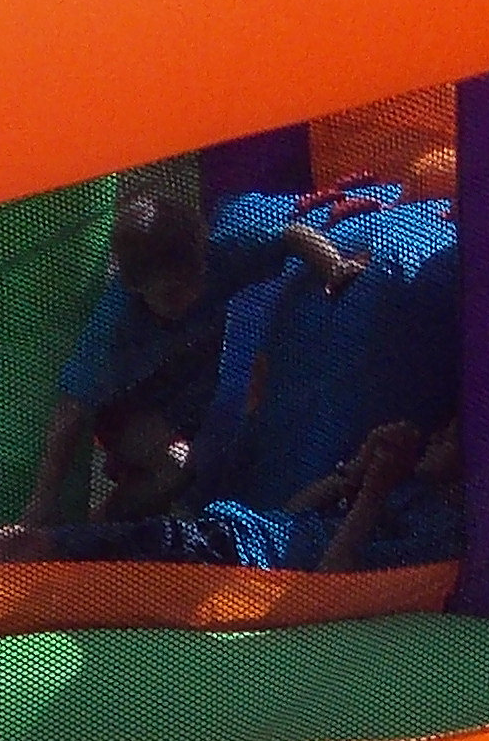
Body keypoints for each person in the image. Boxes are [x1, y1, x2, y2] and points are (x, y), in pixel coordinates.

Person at [0, 418, 462, 586]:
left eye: (448, 440)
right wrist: (348, 477)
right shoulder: (403, 492)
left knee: (22, 548)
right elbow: (297, 520)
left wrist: (376, 495)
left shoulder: (437, 525)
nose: (432, 442)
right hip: (220, 531)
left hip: (218, 559)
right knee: (22, 543)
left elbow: (328, 582)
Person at [20, 190, 360, 528]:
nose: (192, 295)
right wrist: (45, 498)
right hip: (127, 413)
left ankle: (129, 524)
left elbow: (292, 235)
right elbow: (72, 406)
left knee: (195, 476)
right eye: (172, 292)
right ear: (134, 285)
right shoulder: (117, 323)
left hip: (189, 406)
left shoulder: (219, 257)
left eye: (196, 279)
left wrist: (334, 267)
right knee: (175, 468)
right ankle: (99, 532)